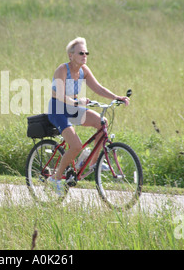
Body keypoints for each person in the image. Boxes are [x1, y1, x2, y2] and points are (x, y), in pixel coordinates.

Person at [47, 37, 130, 195]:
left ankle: (92, 164)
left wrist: (117, 97)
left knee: (102, 122)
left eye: (86, 52)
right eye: (81, 53)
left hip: (74, 107)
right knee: (76, 146)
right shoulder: (62, 70)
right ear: (71, 55)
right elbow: (57, 94)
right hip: (58, 110)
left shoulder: (84, 70)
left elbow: (98, 88)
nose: (85, 55)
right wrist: (76, 101)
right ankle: (55, 179)